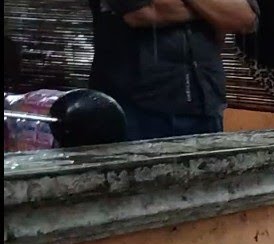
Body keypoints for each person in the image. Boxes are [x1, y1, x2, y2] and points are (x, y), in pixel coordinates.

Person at [88, 0, 259, 141]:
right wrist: (214, 12)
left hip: (204, 100)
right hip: (135, 106)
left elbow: (244, 17)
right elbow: (142, 13)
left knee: (206, 180)